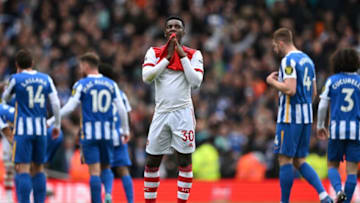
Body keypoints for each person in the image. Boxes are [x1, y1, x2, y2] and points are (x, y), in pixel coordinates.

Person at [47, 52, 130, 203]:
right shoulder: (112, 84)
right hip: (108, 133)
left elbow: (70, 107)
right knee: (106, 167)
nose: (79, 69)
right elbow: (122, 109)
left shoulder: (81, 84)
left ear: (86, 65)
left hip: (90, 134)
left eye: (80, 66)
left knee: (94, 172)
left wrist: (53, 120)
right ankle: (109, 194)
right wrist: (125, 130)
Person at [266, 28, 332, 203]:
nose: (274, 49)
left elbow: (290, 88)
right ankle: (324, 195)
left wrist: (272, 82)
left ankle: (284, 201)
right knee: (299, 160)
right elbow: (314, 93)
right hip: (306, 117)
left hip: (289, 117)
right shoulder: (308, 60)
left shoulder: (288, 61)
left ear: (281, 43)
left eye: (274, 45)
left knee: (285, 159)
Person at [142, 16, 204, 203]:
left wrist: (181, 56)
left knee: (184, 161)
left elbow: (196, 82)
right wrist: (167, 58)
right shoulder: (154, 52)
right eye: (169, 26)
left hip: (183, 112)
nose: (173, 29)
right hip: (161, 113)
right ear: (164, 32)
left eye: (177, 26)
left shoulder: (194, 54)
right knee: (152, 161)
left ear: (184, 32)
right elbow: (147, 77)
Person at [2, 49, 61, 203]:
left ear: (16, 64)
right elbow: (55, 103)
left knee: (23, 169)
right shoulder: (46, 78)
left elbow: (5, 98)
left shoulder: (15, 78)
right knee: (39, 168)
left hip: (23, 130)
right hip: (41, 130)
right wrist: (57, 125)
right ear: (32, 63)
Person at [317, 48, 360, 203]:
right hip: (356, 131)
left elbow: (322, 105)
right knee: (352, 171)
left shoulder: (332, 80)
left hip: (336, 130)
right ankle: (346, 201)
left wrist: (321, 125)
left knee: (332, 165)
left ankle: (338, 190)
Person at [100, 63, 134, 203]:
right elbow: (127, 114)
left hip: (104, 134)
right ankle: (130, 201)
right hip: (119, 135)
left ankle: (108, 194)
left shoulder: (98, 93)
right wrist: (127, 130)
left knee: (105, 167)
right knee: (123, 170)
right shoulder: (121, 94)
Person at [0, 103, 15, 203]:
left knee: (14, 168)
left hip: (16, 134)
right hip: (10, 135)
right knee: (9, 168)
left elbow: (6, 129)